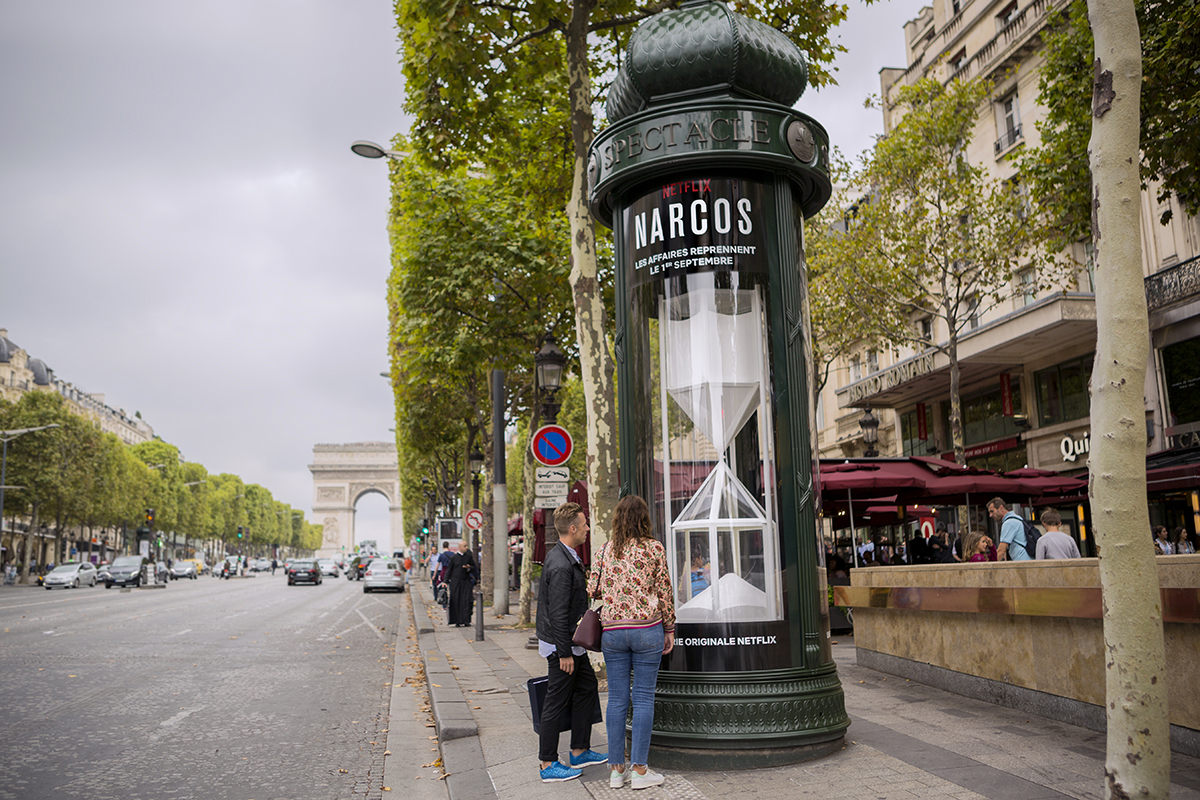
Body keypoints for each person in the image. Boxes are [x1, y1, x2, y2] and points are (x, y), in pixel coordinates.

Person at [589, 495, 675, 790]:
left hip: (613, 633)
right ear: (644, 519)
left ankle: (615, 771)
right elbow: (664, 591)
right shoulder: (654, 549)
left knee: (616, 700)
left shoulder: (604, 551)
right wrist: (670, 628)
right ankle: (639, 771)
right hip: (646, 629)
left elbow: (593, 588)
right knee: (643, 698)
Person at [534, 502, 606, 783]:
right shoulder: (561, 565)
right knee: (555, 701)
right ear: (573, 528)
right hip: (562, 646)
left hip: (570, 644)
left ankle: (579, 749)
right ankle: (548, 763)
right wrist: (564, 652)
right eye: (585, 523)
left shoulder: (565, 557)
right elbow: (557, 613)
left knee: (586, 687)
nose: (588, 528)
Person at [447, 540, 477, 627]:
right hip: (455, 582)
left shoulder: (469, 557)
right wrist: (445, 581)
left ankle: (466, 620)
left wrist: (469, 568)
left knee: (466, 601)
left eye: (467, 546)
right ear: (459, 547)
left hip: (466, 582)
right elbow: (449, 570)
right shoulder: (454, 557)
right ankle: (457, 621)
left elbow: (474, 568)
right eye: (465, 546)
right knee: (456, 601)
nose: (466, 547)